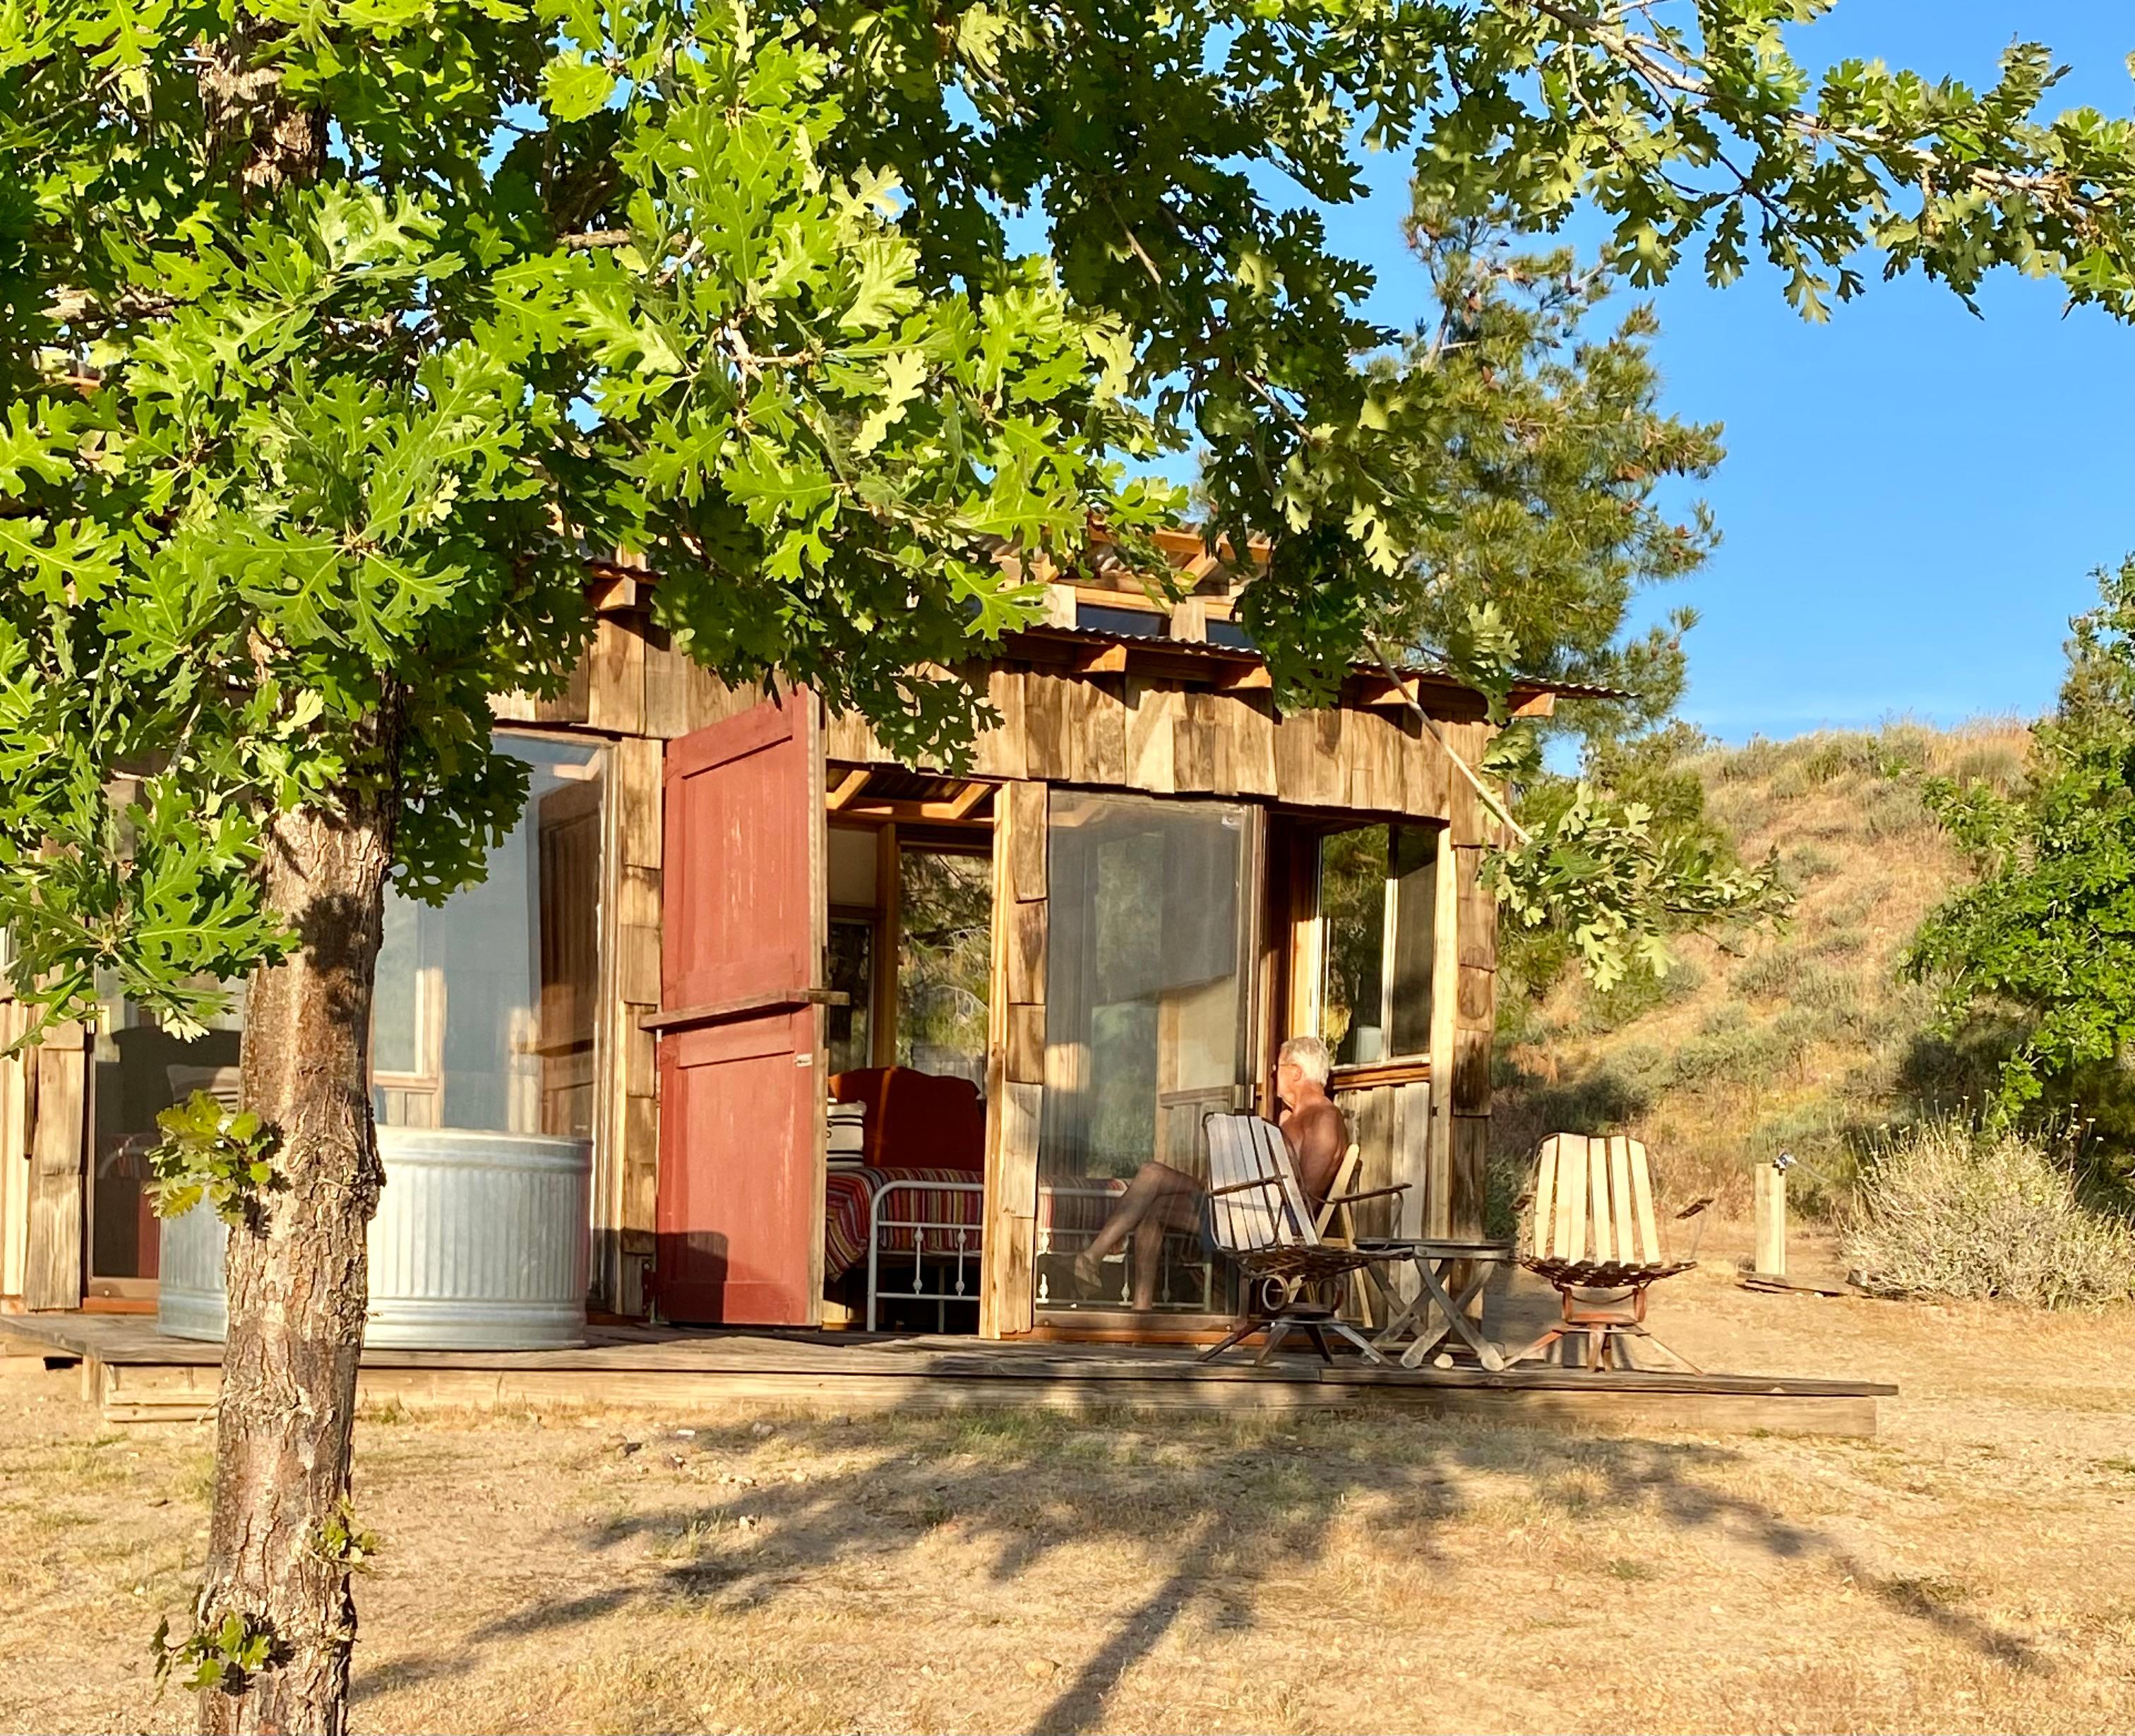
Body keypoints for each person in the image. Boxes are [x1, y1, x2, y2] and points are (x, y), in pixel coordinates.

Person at [1072, 1035, 1349, 1310]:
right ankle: (1137, 1306)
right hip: (1241, 1205)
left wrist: (1243, 1187)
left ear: (1297, 1072)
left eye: (1277, 1067)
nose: (1274, 1074)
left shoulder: (1324, 1118)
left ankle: (1094, 1259)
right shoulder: (1290, 1118)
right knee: (1151, 1181)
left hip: (1263, 1224)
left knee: (1153, 1180)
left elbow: (1303, 1200)